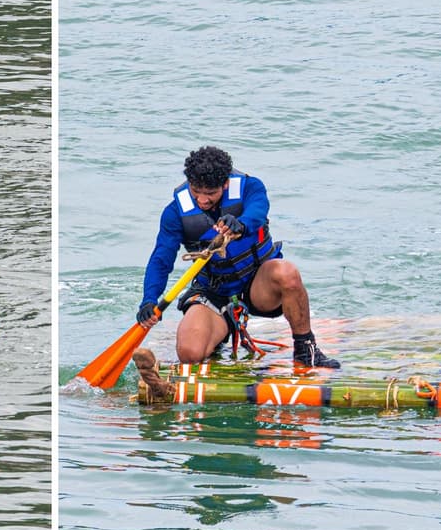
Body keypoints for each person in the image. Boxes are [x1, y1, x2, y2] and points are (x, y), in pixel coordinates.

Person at [137, 145, 340, 368]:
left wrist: (241, 225)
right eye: (196, 191)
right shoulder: (175, 213)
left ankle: (305, 350)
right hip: (214, 292)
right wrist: (149, 299)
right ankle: (217, 333)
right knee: (189, 353)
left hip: (258, 284)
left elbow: (258, 211)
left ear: (225, 184)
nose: (202, 200)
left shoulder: (251, 187)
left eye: (210, 193)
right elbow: (161, 260)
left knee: (287, 273)